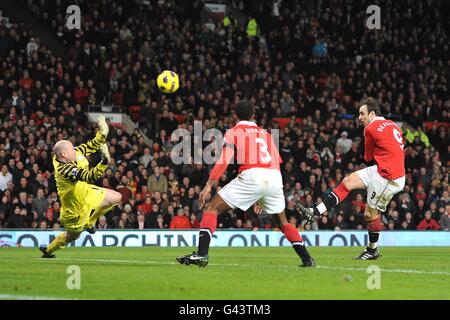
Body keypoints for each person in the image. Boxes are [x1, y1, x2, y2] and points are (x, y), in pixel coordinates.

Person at [177, 100, 315, 267]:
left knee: (210, 209)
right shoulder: (266, 134)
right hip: (274, 176)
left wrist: (208, 185)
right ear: (253, 116)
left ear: (235, 115)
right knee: (283, 222)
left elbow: (223, 161)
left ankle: (202, 254)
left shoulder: (234, 132)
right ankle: (307, 259)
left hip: (253, 175)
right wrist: (262, 195)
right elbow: (277, 162)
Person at [297, 97, 405, 260]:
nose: (359, 117)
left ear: (372, 113)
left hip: (389, 177)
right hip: (384, 169)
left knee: (369, 215)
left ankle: (372, 250)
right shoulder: (392, 124)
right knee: (347, 182)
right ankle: (316, 212)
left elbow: (368, 157)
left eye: (362, 114)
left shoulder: (370, 128)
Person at [39, 116, 122, 258]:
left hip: (86, 193)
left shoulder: (69, 154)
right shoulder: (64, 170)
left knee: (117, 197)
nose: (75, 151)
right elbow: (90, 176)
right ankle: (48, 250)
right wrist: (104, 161)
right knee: (72, 237)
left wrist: (103, 132)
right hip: (74, 211)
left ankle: (91, 220)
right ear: (64, 155)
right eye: (72, 149)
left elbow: (91, 146)